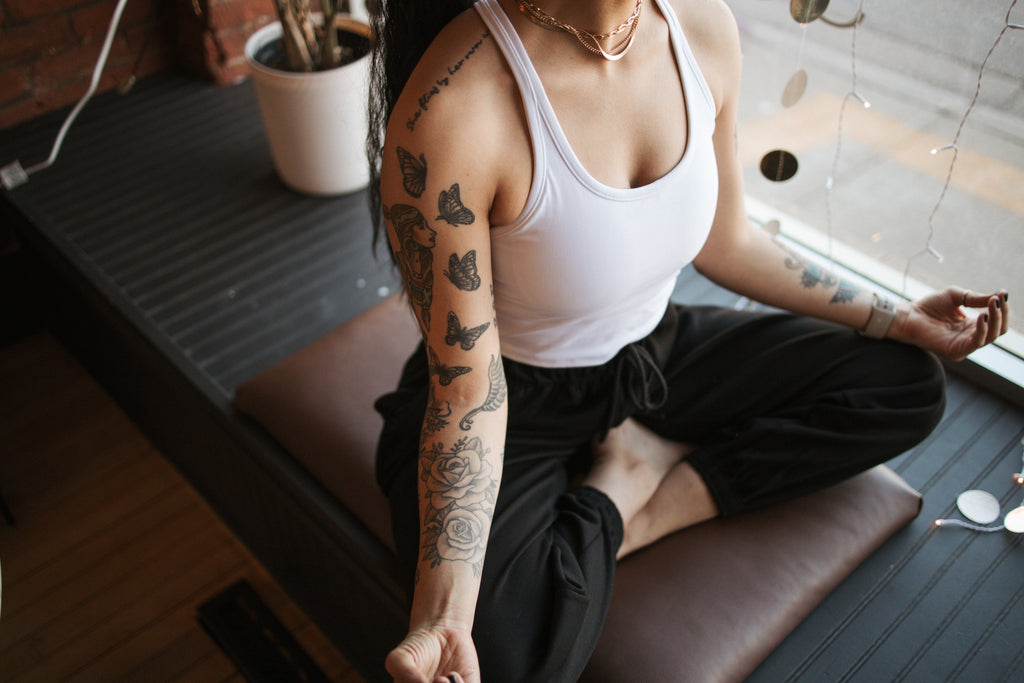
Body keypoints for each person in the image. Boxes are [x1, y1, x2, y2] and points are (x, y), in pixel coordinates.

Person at [365, 1, 1010, 681]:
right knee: (506, 661)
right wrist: (444, 617)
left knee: (905, 384)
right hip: (511, 393)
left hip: (653, 353)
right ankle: (622, 484)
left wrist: (895, 316)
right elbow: (469, 390)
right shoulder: (453, 108)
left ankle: (646, 494)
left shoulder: (701, 27)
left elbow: (729, 242)